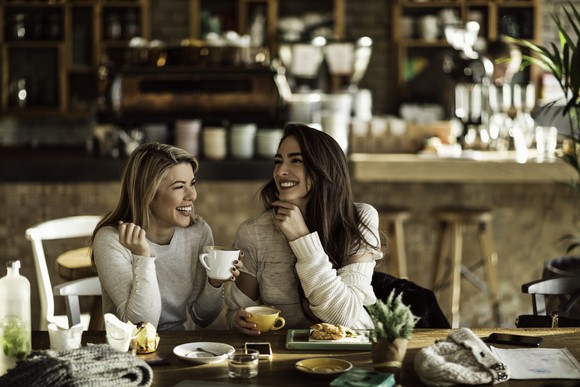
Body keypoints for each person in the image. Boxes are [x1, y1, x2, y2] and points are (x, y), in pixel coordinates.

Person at [226, 123, 383, 335]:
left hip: (348, 351)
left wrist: (302, 239)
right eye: (278, 161)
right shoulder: (254, 232)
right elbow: (237, 312)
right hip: (280, 352)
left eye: (296, 161)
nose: (281, 171)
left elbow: (344, 317)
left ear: (323, 168)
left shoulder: (358, 219)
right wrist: (238, 321)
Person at [91, 142, 241, 331]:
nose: (192, 195)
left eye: (192, 183)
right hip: (129, 351)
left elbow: (202, 318)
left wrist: (215, 282)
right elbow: (142, 326)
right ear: (148, 193)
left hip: (180, 348)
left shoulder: (198, 233)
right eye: (179, 187)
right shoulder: (112, 240)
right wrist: (142, 257)